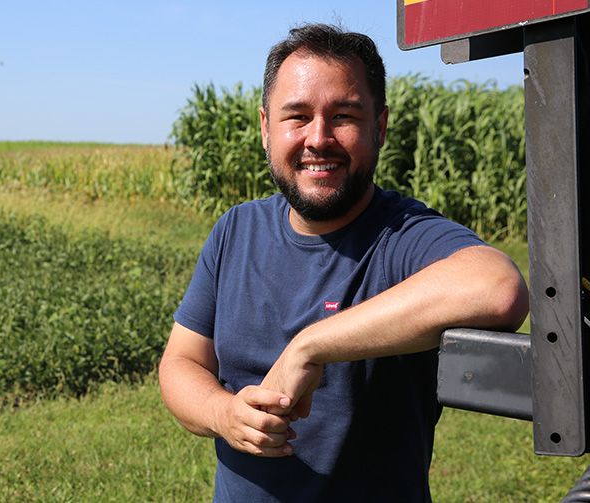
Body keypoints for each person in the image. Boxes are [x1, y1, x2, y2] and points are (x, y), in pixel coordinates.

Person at [158, 23, 529, 502]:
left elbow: (497, 286)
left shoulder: (402, 238)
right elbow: (181, 362)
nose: (318, 138)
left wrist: (309, 346)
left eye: (344, 116)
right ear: (266, 128)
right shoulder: (235, 230)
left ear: (380, 127)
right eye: (297, 116)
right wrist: (222, 414)